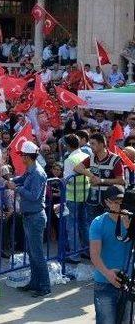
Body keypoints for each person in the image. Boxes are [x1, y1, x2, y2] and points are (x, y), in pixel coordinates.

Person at [5, 141, 51, 297]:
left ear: (27, 157)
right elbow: (22, 178)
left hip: (35, 217)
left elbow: (33, 195)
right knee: (32, 253)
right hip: (30, 217)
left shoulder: (37, 173)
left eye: (22, 156)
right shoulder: (31, 169)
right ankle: (35, 282)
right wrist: (13, 181)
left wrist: (15, 188)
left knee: (37, 254)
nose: (21, 158)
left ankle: (44, 286)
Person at [89, 185, 131, 324]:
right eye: (115, 202)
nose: (119, 205)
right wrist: (108, 274)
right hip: (104, 283)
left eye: (121, 202)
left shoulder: (130, 221)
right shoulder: (98, 223)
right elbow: (94, 255)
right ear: (107, 202)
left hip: (128, 283)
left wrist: (129, 229)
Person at [74, 133, 125, 223]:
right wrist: (92, 176)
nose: (90, 146)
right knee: (92, 224)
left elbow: (121, 180)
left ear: (102, 144)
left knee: (109, 224)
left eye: (93, 144)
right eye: (90, 144)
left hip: (110, 200)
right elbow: (77, 168)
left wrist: (101, 181)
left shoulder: (115, 159)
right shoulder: (91, 158)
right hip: (93, 199)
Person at [62, 134, 90, 263]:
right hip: (85, 195)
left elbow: (67, 180)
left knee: (72, 226)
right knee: (84, 225)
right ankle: (87, 251)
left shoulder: (70, 159)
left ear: (68, 145)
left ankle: (74, 255)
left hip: (72, 197)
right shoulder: (85, 156)